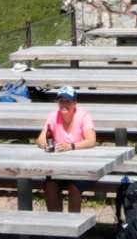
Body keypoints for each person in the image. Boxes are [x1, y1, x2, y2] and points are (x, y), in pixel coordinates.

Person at [34, 85, 97, 213]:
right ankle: (57, 226)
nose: (63, 104)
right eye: (61, 101)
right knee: (50, 185)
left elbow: (91, 140)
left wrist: (71, 146)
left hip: (82, 167)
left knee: (74, 187)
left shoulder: (83, 116)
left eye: (67, 101)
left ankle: (74, 226)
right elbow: (40, 139)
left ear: (74, 103)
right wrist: (45, 145)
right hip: (59, 167)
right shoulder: (53, 116)